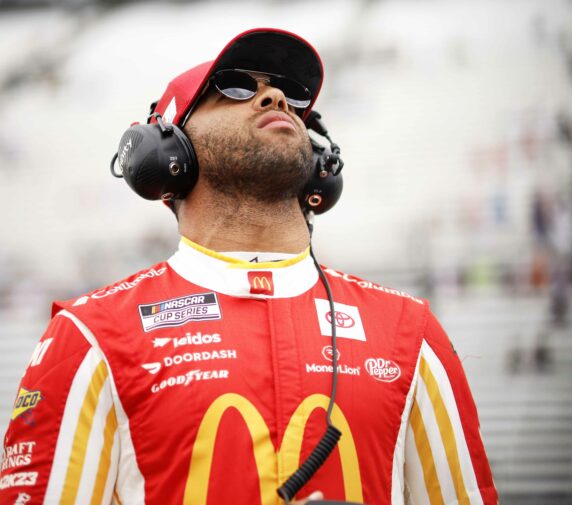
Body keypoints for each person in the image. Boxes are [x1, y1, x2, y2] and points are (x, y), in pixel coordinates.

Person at [0, 28, 497, 504]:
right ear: (167, 153)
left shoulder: (411, 334)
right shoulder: (90, 335)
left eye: (291, 97)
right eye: (235, 88)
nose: (275, 98)